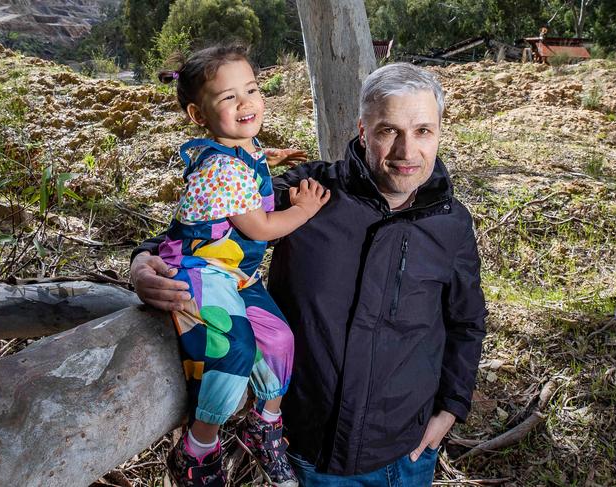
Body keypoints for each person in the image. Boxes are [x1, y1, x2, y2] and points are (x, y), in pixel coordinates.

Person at [132, 62, 486, 486]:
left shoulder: (451, 223)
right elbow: (209, 220)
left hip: (406, 455)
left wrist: (450, 408)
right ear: (362, 129)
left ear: (440, 131)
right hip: (309, 454)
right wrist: (144, 259)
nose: (406, 151)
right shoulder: (310, 195)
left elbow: (466, 322)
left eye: (423, 131)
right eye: (388, 130)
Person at [153, 45, 330, 487]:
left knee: (281, 338)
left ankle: (264, 423)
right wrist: (305, 209)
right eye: (228, 97)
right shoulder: (221, 169)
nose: (246, 102)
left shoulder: (241, 148)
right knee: (232, 350)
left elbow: (249, 159)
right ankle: (198, 448)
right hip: (199, 269)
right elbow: (262, 228)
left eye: (251, 89)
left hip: (234, 273)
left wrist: (273, 156)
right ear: (199, 115)